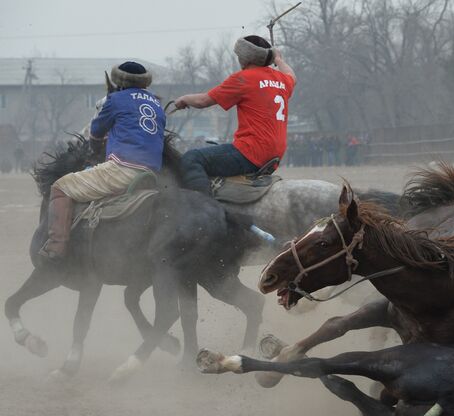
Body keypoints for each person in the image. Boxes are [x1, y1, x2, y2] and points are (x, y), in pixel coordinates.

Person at [39, 61, 165, 261]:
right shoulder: (157, 103)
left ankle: (56, 248)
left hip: (121, 170)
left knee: (60, 188)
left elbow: (96, 133)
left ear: (119, 80)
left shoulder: (115, 99)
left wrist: (97, 147)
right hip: (151, 173)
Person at [172, 35, 296, 193]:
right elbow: (293, 76)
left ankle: (205, 207)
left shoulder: (243, 79)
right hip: (275, 154)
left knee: (192, 158)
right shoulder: (282, 79)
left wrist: (184, 99)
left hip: (250, 152)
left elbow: (203, 101)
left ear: (245, 58)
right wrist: (279, 59)